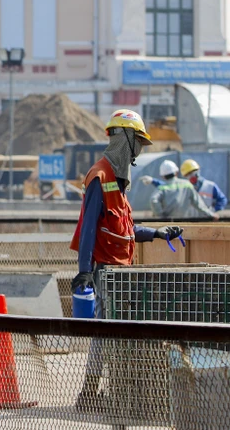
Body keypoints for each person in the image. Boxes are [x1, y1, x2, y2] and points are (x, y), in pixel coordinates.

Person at [70, 110, 183, 412]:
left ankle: (112, 391)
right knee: (104, 331)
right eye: (138, 143)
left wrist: (157, 233)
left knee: (114, 331)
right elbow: (88, 227)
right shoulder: (100, 176)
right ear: (124, 139)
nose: (139, 150)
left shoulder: (118, 182)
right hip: (105, 271)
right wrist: (84, 271)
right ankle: (90, 393)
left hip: (122, 272)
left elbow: (126, 229)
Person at [147, 159, 217, 220]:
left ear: (163, 176)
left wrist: (160, 216)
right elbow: (198, 203)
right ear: (176, 172)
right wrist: (211, 214)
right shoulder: (187, 185)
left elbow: (153, 200)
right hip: (184, 224)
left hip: (167, 224)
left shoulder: (161, 188)